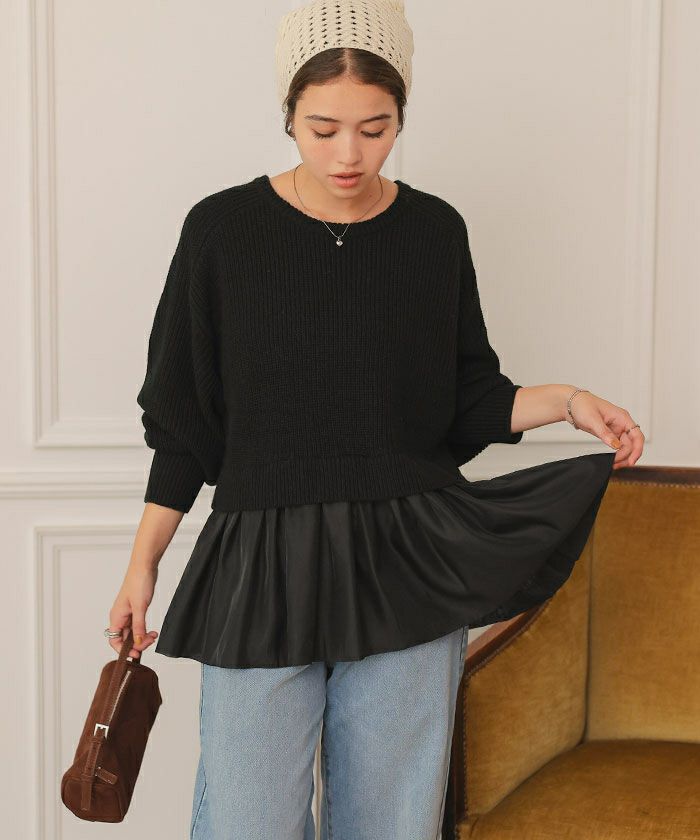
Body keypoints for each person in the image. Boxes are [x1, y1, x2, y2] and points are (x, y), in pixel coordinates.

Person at [106, 1, 645, 837]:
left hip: (408, 564)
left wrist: (570, 402)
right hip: (264, 565)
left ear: (401, 116)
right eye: (322, 129)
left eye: (375, 128)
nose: (348, 154)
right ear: (287, 113)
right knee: (247, 821)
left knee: (393, 823)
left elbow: (468, 400)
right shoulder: (222, 231)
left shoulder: (433, 231)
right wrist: (143, 565)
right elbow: (185, 423)